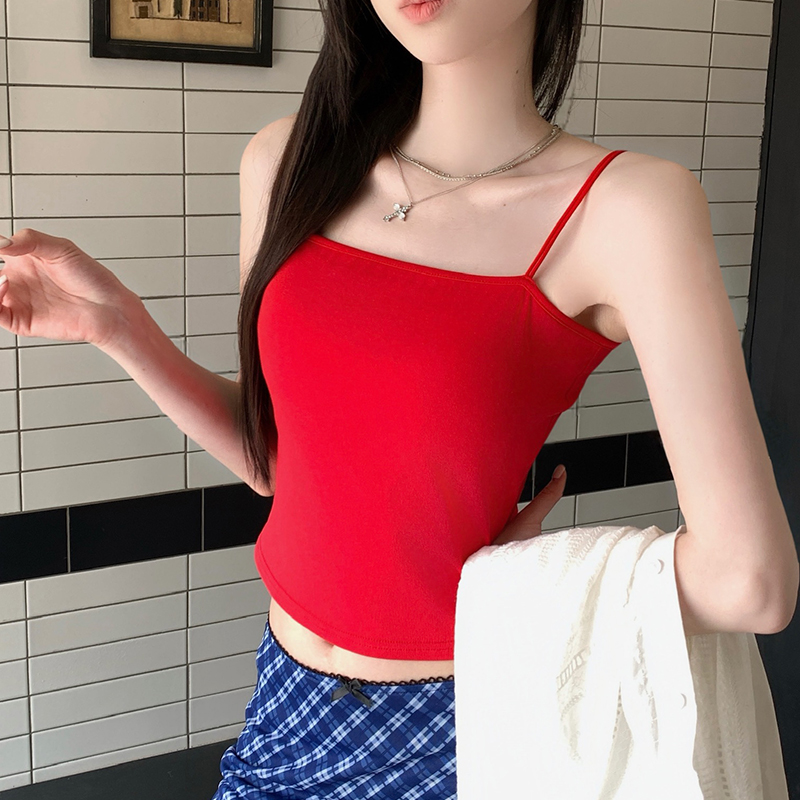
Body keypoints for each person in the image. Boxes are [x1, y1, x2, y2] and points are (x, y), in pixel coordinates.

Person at [0, 0, 796, 797]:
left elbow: (750, 583)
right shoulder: (288, 162)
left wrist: (531, 582)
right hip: (283, 704)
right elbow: (271, 462)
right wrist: (119, 326)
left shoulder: (627, 209)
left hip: (457, 724)